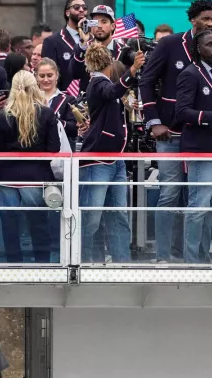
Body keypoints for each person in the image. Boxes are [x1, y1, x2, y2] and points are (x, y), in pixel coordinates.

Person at [139, 0, 212, 263]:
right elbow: (146, 80)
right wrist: (154, 122)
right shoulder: (169, 44)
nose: (210, 24)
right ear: (192, 19)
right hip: (171, 133)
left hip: (202, 136)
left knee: (200, 199)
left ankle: (193, 255)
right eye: (206, 19)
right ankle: (163, 256)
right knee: (170, 193)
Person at [78, 45, 143, 263]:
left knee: (118, 216)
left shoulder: (103, 84)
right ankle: (84, 262)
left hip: (115, 158)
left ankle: (121, 262)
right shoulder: (98, 82)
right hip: (97, 159)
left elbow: (115, 92)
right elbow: (112, 91)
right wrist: (131, 71)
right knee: (91, 217)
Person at [175, 30, 212, 263]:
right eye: (210, 44)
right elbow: (181, 112)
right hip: (201, 149)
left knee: (211, 207)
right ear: (197, 49)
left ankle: (203, 257)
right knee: (199, 205)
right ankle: (191, 261)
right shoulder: (190, 74)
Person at [0, 71, 60, 263]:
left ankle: (14, 262)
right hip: (36, 176)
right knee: (38, 222)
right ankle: (42, 263)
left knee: (9, 222)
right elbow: (54, 147)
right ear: (34, 86)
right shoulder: (46, 113)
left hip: (6, 176)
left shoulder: (2, 115)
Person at [68, 4, 124, 94]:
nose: (99, 26)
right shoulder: (83, 47)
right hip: (88, 104)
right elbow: (74, 74)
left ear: (113, 26)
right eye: (95, 22)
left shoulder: (123, 50)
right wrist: (83, 44)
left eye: (104, 22)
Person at [42, 0, 88, 91]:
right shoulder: (52, 41)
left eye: (84, 7)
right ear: (67, 13)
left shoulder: (92, 39)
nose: (81, 10)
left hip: (88, 96)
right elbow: (48, 71)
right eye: (76, 7)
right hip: (64, 95)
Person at [36, 58, 80, 141]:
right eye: (42, 76)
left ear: (56, 75)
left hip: (61, 148)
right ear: (36, 76)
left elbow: (74, 128)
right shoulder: (31, 99)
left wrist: (54, 121)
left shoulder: (69, 100)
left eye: (49, 75)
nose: (46, 80)